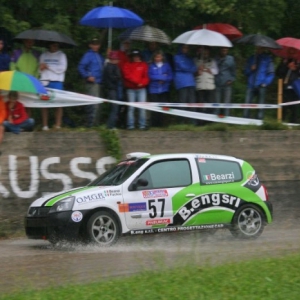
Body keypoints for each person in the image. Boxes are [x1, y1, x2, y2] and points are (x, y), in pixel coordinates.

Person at [39, 42, 67, 130]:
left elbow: (61, 69)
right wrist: (41, 67)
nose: (55, 46)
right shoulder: (43, 55)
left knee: (58, 104)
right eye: (53, 44)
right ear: (49, 45)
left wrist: (48, 66)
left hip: (57, 81)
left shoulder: (62, 55)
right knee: (44, 103)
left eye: (56, 45)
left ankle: (58, 125)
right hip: (45, 81)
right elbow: (40, 69)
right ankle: (45, 125)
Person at [78, 37, 105, 127]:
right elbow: (81, 67)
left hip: (100, 82)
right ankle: (90, 124)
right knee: (93, 104)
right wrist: (87, 76)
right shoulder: (88, 55)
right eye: (94, 44)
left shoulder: (100, 56)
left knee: (99, 104)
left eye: (97, 44)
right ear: (90, 45)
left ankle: (96, 124)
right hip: (92, 83)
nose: (96, 46)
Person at [243, 47, 275, 120]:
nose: (259, 49)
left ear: (263, 49)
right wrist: (250, 69)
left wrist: (266, 82)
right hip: (251, 84)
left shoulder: (267, 59)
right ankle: (245, 120)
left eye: (261, 48)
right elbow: (245, 72)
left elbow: (271, 73)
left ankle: (259, 120)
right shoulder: (251, 58)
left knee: (261, 105)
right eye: (257, 48)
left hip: (261, 84)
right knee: (247, 103)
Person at [121, 49, 149, 130]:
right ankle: (130, 125)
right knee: (131, 108)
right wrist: (137, 82)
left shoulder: (144, 65)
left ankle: (142, 125)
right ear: (132, 57)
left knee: (142, 107)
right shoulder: (127, 65)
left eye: (137, 56)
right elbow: (127, 76)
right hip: (131, 89)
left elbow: (146, 77)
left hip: (141, 89)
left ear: (140, 56)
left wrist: (142, 83)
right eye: (134, 56)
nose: (136, 58)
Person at [148, 50, 173, 127]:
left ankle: (163, 124)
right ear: (154, 58)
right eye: (156, 57)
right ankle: (154, 124)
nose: (158, 58)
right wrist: (162, 77)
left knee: (164, 107)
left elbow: (170, 76)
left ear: (162, 57)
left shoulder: (166, 65)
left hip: (164, 89)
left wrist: (164, 79)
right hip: (154, 90)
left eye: (159, 56)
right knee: (154, 108)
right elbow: (151, 76)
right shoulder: (151, 66)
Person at [173, 44, 197, 124]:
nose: (186, 49)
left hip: (191, 82)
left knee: (192, 102)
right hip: (182, 82)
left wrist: (190, 69)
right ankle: (181, 122)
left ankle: (192, 122)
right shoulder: (176, 57)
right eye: (184, 47)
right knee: (182, 102)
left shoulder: (190, 58)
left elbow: (194, 68)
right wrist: (190, 69)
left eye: (187, 48)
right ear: (180, 48)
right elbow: (183, 67)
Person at [276, 48, 300, 123]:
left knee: (294, 106)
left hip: (295, 88)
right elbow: (278, 73)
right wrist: (284, 64)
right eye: (290, 52)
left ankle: (294, 122)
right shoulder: (285, 61)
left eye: (293, 52)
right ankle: (281, 121)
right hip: (285, 87)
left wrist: (295, 69)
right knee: (283, 105)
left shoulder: (298, 62)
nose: (291, 53)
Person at [195, 46, 219, 113]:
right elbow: (193, 71)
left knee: (210, 104)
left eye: (207, 51)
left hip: (210, 86)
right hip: (200, 85)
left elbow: (216, 71)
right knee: (200, 104)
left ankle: (209, 121)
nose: (205, 53)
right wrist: (198, 70)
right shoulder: (196, 60)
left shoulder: (212, 61)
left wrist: (209, 70)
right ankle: (200, 121)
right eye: (204, 51)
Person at [103, 51, 122, 129]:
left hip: (112, 89)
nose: (116, 60)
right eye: (115, 58)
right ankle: (110, 126)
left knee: (114, 107)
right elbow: (113, 78)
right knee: (114, 107)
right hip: (112, 89)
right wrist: (118, 77)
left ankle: (111, 125)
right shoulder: (111, 66)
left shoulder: (110, 66)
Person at [215, 47, 236, 116]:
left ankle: (226, 119)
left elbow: (233, 72)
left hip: (227, 83)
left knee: (227, 103)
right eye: (223, 50)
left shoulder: (231, 59)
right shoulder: (215, 59)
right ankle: (215, 120)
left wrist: (231, 80)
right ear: (220, 50)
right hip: (217, 83)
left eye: (226, 50)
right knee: (217, 103)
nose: (224, 52)